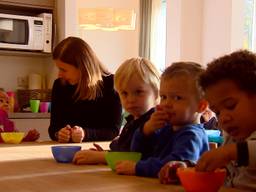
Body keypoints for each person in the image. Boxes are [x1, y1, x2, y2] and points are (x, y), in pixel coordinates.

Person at [115, 62, 209, 178]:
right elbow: (138, 153)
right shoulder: (167, 128)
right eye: (163, 97)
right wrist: (146, 130)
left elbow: (172, 167)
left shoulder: (192, 136)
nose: (167, 104)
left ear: (201, 107)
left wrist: (137, 167)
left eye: (177, 98)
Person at [73, 57, 160, 164]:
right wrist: (107, 153)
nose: (130, 99)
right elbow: (124, 148)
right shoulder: (133, 121)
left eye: (138, 92)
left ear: (156, 93)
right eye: (124, 93)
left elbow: (139, 156)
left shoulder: (155, 122)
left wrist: (103, 157)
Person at [195, 50, 256, 191]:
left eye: (230, 106)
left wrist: (231, 152)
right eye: (217, 112)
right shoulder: (232, 140)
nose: (223, 118)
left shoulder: (233, 148)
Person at [48, 37, 122, 143]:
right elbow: (53, 129)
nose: (59, 74)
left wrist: (86, 134)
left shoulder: (111, 84)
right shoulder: (60, 86)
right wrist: (59, 134)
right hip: (67, 150)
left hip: (98, 150)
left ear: (82, 67)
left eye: (63, 69)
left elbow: (113, 131)